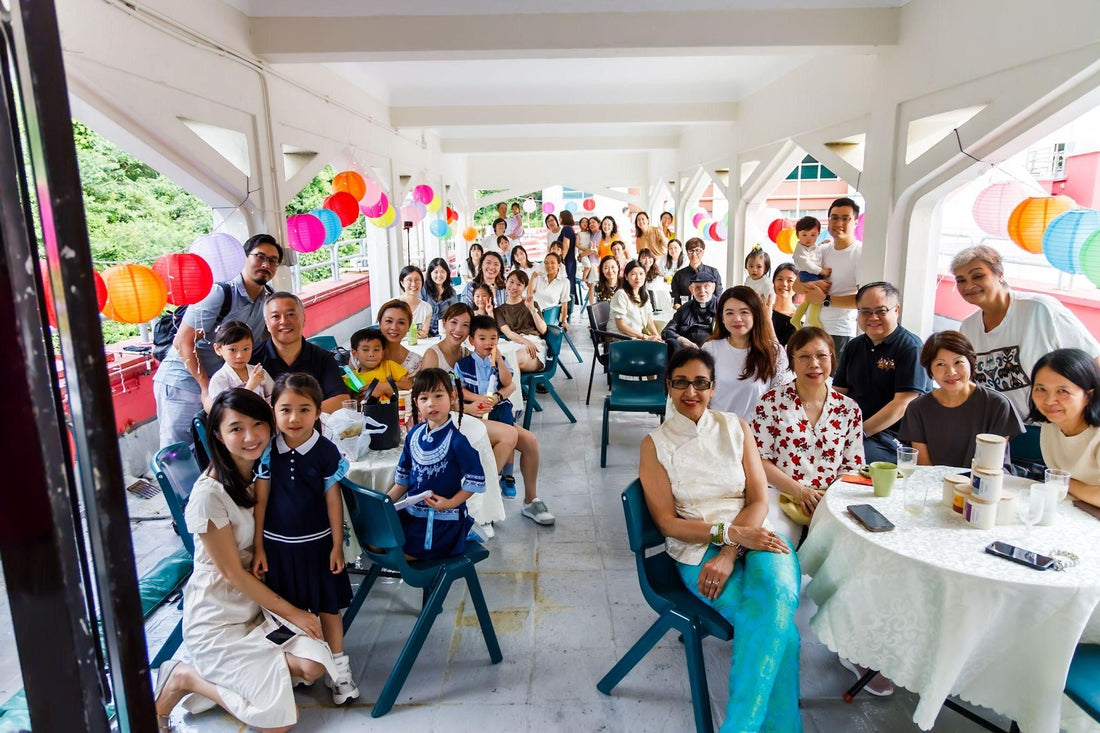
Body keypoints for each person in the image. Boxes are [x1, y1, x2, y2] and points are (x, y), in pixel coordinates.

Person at [152, 389, 339, 731]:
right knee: (276, 724)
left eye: (258, 424)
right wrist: (294, 612)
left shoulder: (261, 473)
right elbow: (234, 575)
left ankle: (250, 674)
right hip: (219, 619)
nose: (251, 437)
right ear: (218, 437)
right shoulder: (209, 496)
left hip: (258, 609)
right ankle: (185, 678)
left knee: (313, 669)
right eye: (236, 428)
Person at [639, 347, 801, 733]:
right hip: (696, 547)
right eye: (681, 383)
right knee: (783, 634)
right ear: (669, 385)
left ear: (713, 388)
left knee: (777, 596)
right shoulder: (655, 444)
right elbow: (666, 523)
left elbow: (759, 499)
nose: (690, 392)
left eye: (700, 383)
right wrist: (725, 537)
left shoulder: (735, 426)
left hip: (756, 533)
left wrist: (731, 549)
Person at [251, 373, 357, 704]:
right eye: (285, 409)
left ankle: (339, 670)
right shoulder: (268, 450)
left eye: (304, 409)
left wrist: (338, 545)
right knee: (289, 609)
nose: (294, 418)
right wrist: (258, 547)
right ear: (273, 410)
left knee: (329, 608)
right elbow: (261, 501)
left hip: (320, 546)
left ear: (317, 411)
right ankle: (303, 665)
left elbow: (332, 500)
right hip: (278, 549)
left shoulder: (326, 450)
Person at [153, 233, 281, 448]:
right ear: (244, 257)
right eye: (259, 257)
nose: (265, 264)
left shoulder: (266, 299)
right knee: (178, 451)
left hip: (219, 386)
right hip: (184, 383)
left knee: (210, 449)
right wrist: (205, 389)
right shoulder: (219, 293)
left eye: (272, 260)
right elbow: (183, 342)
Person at [952, 244, 1100, 420]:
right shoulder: (968, 327)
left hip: (1050, 425)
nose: (969, 285)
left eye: (978, 276)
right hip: (999, 427)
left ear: (1000, 274)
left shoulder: (1039, 309)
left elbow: (1093, 359)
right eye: (961, 280)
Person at [752, 327, 864, 536]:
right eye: (804, 356)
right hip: (782, 495)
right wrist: (800, 492)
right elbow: (760, 460)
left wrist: (826, 500)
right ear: (792, 361)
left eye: (821, 355)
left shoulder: (849, 409)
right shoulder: (770, 402)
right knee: (778, 546)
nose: (814, 364)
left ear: (832, 357)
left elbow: (853, 465)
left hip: (832, 499)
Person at [455, 316, 555, 525]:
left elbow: (508, 382)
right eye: (482, 338)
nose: (488, 343)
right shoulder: (463, 364)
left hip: (497, 409)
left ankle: (530, 499)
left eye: (493, 338)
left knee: (530, 442)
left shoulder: (499, 360)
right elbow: (460, 390)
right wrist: (478, 399)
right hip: (471, 415)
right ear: (471, 340)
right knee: (508, 436)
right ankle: (482, 500)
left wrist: (499, 360)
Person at [388, 369, 486, 559]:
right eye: (424, 398)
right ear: (415, 402)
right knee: (375, 543)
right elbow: (402, 482)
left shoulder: (457, 441)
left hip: (442, 522)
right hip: (412, 515)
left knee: (397, 555)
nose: (431, 403)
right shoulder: (413, 434)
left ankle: (463, 532)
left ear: (452, 397)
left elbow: (475, 480)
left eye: (438, 395)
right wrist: (384, 503)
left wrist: (450, 503)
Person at [833, 282, 931, 464]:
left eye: (881, 311)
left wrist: (858, 433)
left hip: (893, 436)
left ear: (897, 310)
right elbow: (838, 393)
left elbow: (902, 404)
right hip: (855, 430)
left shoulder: (911, 347)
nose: (873, 317)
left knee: (856, 460)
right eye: (865, 311)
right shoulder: (854, 346)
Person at [898, 331, 1023, 468]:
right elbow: (924, 466)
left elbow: (992, 467)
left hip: (985, 484)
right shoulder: (917, 408)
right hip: (934, 485)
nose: (951, 372)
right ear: (930, 370)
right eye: (940, 364)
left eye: (958, 362)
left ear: (971, 362)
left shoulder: (997, 404)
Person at [704, 286, 792, 418]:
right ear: (722, 318)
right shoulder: (709, 349)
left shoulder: (774, 352)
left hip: (757, 433)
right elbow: (699, 394)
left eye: (744, 312)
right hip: (717, 430)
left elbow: (784, 398)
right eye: (729, 313)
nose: (737, 318)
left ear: (755, 315)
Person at [251, 293, 347, 414]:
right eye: (276, 316)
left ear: (303, 319)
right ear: (267, 323)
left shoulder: (323, 358)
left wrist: (296, 416)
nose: (284, 321)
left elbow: (341, 400)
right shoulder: (251, 358)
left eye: (291, 314)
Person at [1030, 349, 1100, 505]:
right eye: (1041, 389)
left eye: (1063, 391)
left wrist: (1067, 484)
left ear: (1089, 396)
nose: (1049, 401)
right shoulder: (1051, 427)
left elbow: (1059, 483)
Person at [796, 198, 862, 356]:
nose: (839, 223)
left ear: (856, 222)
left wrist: (825, 299)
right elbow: (795, 286)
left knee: (834, 379)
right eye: (834, 218)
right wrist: (814, 285)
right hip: (811, 327)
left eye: (845, 218)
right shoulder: (821, 250)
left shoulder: (860, 253)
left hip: (839, 331)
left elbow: (863, 300)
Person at [204, 320, 274, 411]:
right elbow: (227, 410)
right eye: (233, 350)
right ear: (218, 349)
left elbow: (273, 398)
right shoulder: (219, 379)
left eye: (246, 349)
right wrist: (250, 387)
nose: (240, 355)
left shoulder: (259, 372)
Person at [495, 270, 548, 372]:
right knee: (497, 360)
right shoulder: (499, 310)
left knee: (509, 362)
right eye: (511, 282)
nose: (514, 287)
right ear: (506, 282)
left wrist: (532, 309)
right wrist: (525, 342)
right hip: (512, 343)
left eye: (519, 284)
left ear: (524, 288)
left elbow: (543, 330)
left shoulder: (532, 304)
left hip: (533, 343)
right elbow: (509, 333)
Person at [343, 327, 412, 402]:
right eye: (365, 350)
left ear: (382, 353)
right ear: (354, 353)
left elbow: (408, 385)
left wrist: (385, 387)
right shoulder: (348, 379)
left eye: (376, 350)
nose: (371, 354)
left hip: (393, 410)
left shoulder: (389, 366)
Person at [661, 270, 718, 352]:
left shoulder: (722, 307)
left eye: (706, 286)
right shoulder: (685, 308)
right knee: (672, 342)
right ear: (691, 289)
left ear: (713, 288)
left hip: (714, 349)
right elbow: (667, 331)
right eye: (697, 287)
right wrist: (681, 339)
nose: (702, 291)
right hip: (688, 351)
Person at [789, 216, 830, 329]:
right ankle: (812, 318)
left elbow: (814, 252)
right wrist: (822, 271)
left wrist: (821, 244)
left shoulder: (811, 246)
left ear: (818, 234)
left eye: (813, 235)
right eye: (804, 235)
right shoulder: (800, 249)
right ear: (797, 235)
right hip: (808, 274)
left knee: (807, 300)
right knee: (816, 296)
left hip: (813, 274)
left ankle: (796, 319)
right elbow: (807, 264)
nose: (809, 238)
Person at [608, 260, 662, 342]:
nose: (638, 277)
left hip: (637, 337)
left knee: (668, 345)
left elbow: (649, 320)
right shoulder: (621, 294)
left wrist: (657, 337)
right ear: (626, 277)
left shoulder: (644, 293)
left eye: (641, 274)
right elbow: (621, 326)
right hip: (621, 339)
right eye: (633, 274)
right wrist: (645, 337)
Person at [670, 237, 723, 309]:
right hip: (686, 314)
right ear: (687, 252)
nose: (694, 254)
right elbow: (676, 300)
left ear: (703, 252)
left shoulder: (713, 272)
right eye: (691, 251)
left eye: (698, 251)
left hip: (709, 313)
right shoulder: (678, 275)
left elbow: (718, 297)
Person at [375, 299, 423, 376]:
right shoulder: (361, 352)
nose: (394, 327)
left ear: (409, 326)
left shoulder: (414, 363)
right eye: (389, 321)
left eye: (401, 322)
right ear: (380, 323)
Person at [531, 252, 571, 329]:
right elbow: (529, 294)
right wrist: (532, 278)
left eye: (552, 263)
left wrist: (563, 321)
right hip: (532, 314)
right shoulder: (539, 278)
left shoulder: (564, 282)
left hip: (548, 318)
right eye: (546, 263)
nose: (549, 266)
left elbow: (564, 304)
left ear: (559, 265)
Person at [423, 257, 459, 337]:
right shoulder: (424, 290)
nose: (439, 275)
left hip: (445, 333)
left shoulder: (452, 292)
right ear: (430, 273)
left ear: (447, 273)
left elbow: (455, 314)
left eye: (442, 272)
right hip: (424, 333)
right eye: (436, 272)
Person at [398, 264, 432, 336]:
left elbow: (424, 333)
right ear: (402, 283)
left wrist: (422, 335)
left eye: (417, 280)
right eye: (409, 280)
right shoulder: (392, 305)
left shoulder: (427, 308)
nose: (413, 284)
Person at [770, 264, 798, 346]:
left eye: (790, 280)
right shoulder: (764, 310)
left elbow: (782, 352)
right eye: (780, 279)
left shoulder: (798, 318)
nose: (784, 284)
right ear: (773, 282)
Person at [557, 209, 579, 297]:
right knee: (570, 281)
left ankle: (569, 303)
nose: (559, 219)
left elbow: (566, 245)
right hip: (571, 259)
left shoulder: (566, 229)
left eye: (560, 217)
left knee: (567, 282)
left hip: (567, 259)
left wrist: (561, 259)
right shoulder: (570, 229)